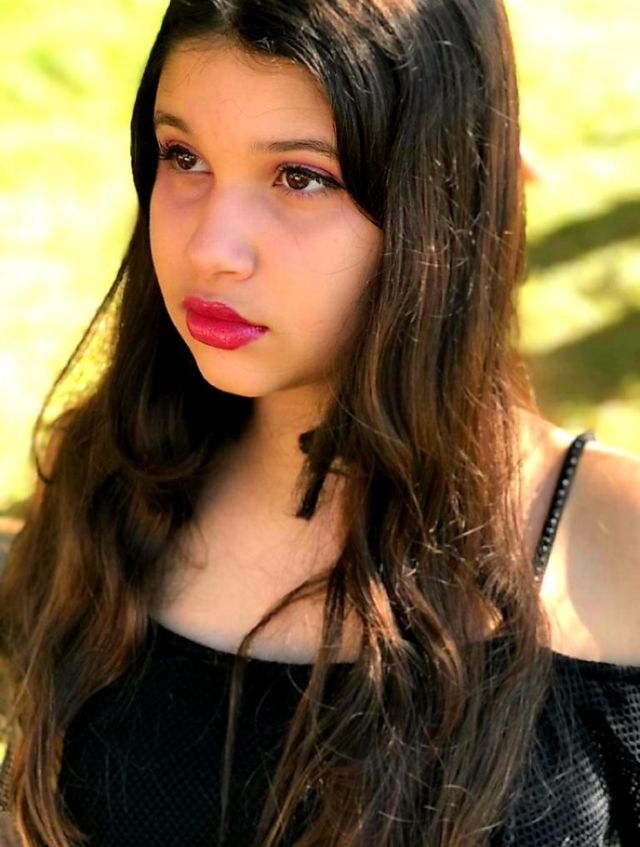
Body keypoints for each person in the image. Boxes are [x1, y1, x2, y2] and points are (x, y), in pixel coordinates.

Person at [0, 1, 638, 845]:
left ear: (444, 193)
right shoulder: (107, 488)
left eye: (300, 176)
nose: (211, 248)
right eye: (183, 156)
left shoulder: (620, 546)